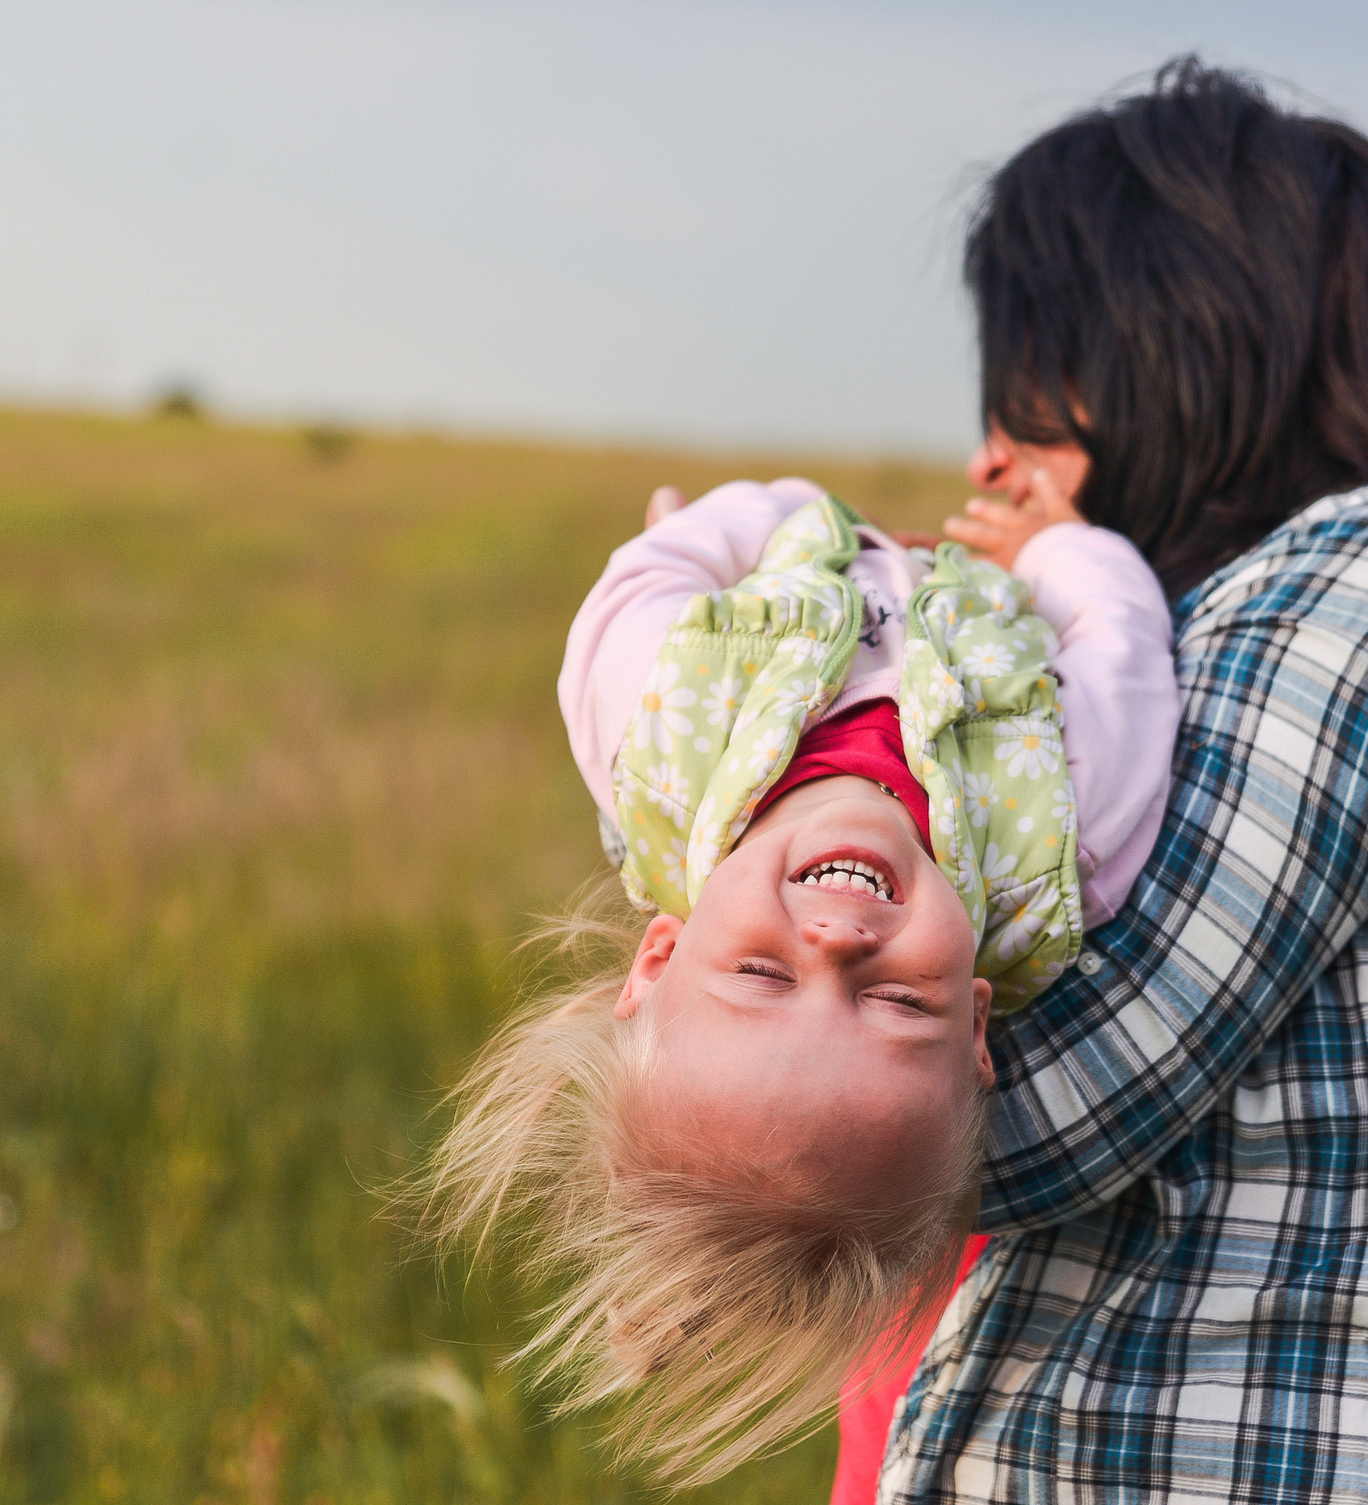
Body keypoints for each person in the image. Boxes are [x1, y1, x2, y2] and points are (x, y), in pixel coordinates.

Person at [853, 59, 1368, 1503]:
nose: (992, 454)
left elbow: (1050, 1096)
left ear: (1171, 350)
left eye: (1032, 394)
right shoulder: (1363, 606)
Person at [423, 470, 1179, 1486]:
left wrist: (766, 522)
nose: (834, 940)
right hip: (987, 574)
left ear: (659, 953)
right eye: (899, 1001)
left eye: (761, 972)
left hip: (811, 548)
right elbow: (1123, 645)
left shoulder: (651, 738)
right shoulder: (1061, 843)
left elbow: (647, 574)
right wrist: (1049, 548)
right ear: (974, 1027)